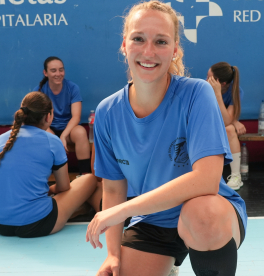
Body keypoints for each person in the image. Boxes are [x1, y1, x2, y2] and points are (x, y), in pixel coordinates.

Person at [85, 2, 247, 276]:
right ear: (124, 45)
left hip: (208, 212)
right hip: (152, 220)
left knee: (201, 215)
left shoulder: (197, 94)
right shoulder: (107, 112)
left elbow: (206, 179)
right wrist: (113, 254)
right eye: (139, 39)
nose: (148, 51)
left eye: (160, 41)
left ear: (174, 50)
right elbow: (113, 190)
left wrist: (122, 211)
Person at [0, 92, 99, 238]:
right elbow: (64, 187)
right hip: (36, 224)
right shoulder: (52, 141)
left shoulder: (1, 139)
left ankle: (76, 208)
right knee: (90, 180)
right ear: (48, 117)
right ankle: (79, 208)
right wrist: (50, 189)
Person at [34, 57, 91, 176]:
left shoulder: (73, 88)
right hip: (49, 128)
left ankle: (85, 174)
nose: (58, 74)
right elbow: (41, 121)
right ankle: (55, 176)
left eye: (61, 70)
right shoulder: (39, 91)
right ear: (45, 73)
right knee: (48, 136)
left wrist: (64, 136)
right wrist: (56, 140)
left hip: (69, 130)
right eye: (53, 70)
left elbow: (76, 117)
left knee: (81, 132)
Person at [207, 62, 246, 190]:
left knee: (229, 130)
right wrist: (234, 120)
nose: (206, 80)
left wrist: (217, 95)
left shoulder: (235, 91)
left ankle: (236, 176)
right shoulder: (203, 88)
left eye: (210, 78)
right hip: (206, 126)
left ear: (221, 83)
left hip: (222, 127)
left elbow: (225, 121)